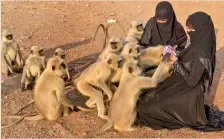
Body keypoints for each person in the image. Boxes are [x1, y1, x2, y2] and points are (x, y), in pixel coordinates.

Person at [137, 11, 224, 131]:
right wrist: (174, 54)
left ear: (200, 29)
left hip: (188, 96)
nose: (189, 32)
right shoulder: (199, 42)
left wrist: (175, 62)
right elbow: (187, 59)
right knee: (145, 99)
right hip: (180, 84)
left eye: (191, 30)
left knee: (146, 110)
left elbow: (192, 82)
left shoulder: (202, 54)